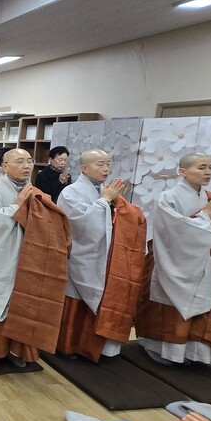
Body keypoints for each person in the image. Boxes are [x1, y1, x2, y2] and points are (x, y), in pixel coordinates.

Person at [136, 153, 211, 368]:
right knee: (169, 306)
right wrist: (205, 220)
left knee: (202, 304)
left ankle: (194, 352)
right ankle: (162, 349)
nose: (208, 172)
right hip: (174, 261)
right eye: (202, 167)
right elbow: (172, 230)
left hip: (205, 261)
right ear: (182, 172)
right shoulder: (169, 197)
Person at [0, 149, 70, 370]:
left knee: (23, 305)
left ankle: (17, 350)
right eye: (19, 161)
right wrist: (16, 206)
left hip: (26, 259)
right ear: (5, 166)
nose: (26, 166)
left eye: (29, 161)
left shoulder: (36, 193)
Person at [57, 150, 146, 362]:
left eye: (108, 164)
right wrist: (104, 202)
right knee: (77, 300)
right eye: (100, 164)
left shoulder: (105, 190)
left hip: (105, 254)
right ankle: (70, 346)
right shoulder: (71, 192)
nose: (106, 169)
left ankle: (99, 346)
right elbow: (80, 223)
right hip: (82, 256)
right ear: (84, 168)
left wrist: (115, 204)